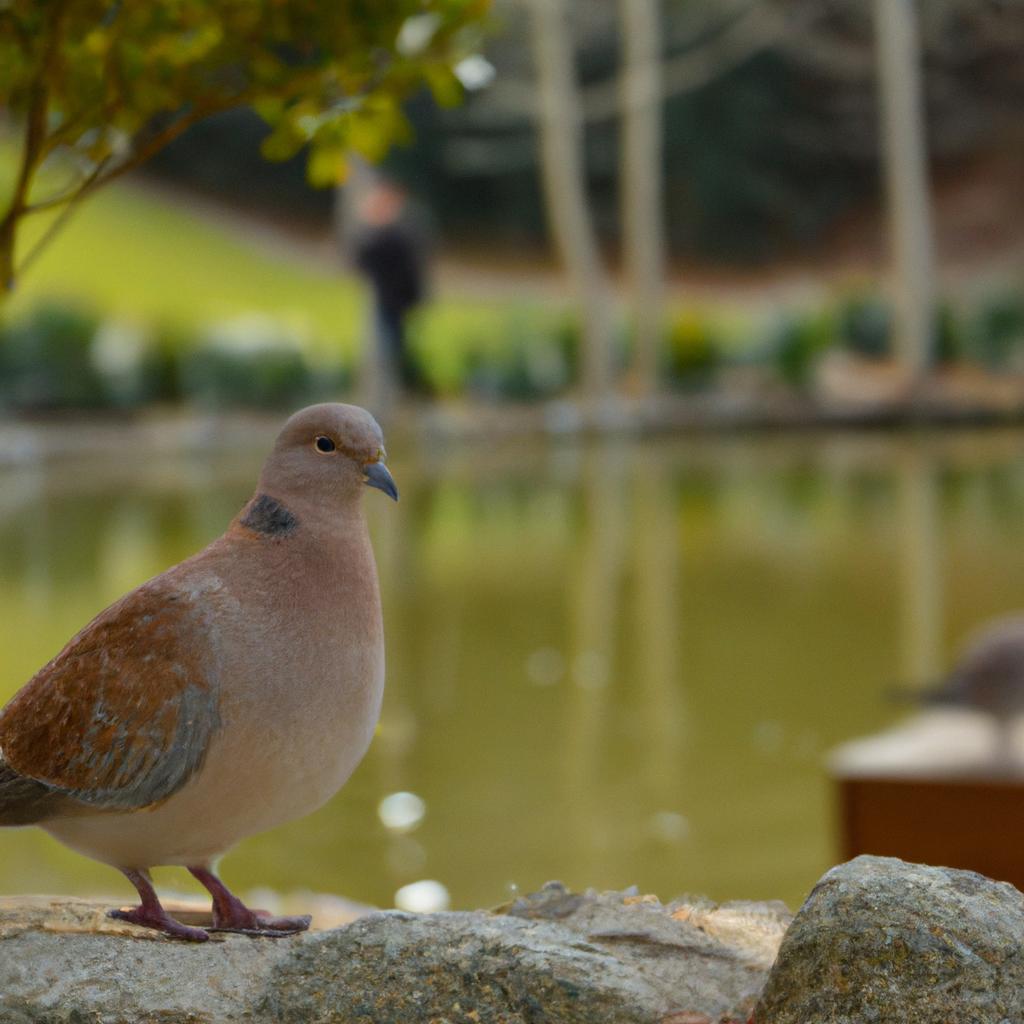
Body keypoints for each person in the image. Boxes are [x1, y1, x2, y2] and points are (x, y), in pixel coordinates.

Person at [351, 180, 427, 402]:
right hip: (393, 301)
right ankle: (394, 392)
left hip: (394, 303)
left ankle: (393, 395)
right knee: (391, 349)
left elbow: (364, 257)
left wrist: (369, 222)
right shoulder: (397, 231)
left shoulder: (396, 232)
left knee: (390, 351)